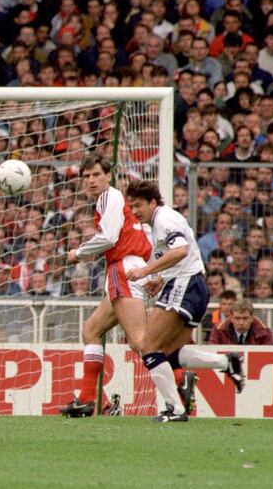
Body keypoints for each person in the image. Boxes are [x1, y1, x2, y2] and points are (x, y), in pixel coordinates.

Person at [125, 180, 245, 423]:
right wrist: (160, 279)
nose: (134, 211)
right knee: (167, 352)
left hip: (185, 285)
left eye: (138, 205)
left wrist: (147, 271)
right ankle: (226, 361)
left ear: (152, 202)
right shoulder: (159, 222)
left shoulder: (163, 219)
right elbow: (181, 255)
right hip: (193, 286)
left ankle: (175, 409)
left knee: (148, 345)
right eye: (131, 207)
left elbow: (179, 251)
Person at [59, 154, 152, 418]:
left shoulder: (110, 197)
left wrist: (78, 252)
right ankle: (93, 401)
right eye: (86, 176)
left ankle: (180, 375)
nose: (91, 180)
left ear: (108, 175)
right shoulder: (112, 201)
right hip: (128, 267)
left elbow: (109, 238)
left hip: (123, 268)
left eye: (96, 174)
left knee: (139, 341)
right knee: (91, 330)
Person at [209, 299, 273, 345]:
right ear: (231, 318)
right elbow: (213, 355)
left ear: (252, 318)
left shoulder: (265, 333)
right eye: (237, 318)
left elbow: (270, 357)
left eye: (245, 318)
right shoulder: (218, 330)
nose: (241, 322)